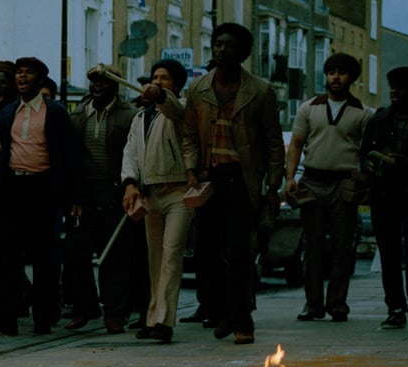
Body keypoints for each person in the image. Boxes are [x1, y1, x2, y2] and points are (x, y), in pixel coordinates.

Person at [180, 21, 283, 346]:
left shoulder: (260, 90)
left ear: (243, 52)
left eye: (230, 45)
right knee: (207, 254)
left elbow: (272, 142)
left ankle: (243, 320)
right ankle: (222, 311)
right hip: (209, 180)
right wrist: (191, 168)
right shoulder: (198, 88)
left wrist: (273, 185)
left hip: (242, 180)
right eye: (218, 44)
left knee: (239, 253)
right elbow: (190, 135)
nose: (223, 50)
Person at [0, 56, 77, 335]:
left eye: (28, 73)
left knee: (45, 258)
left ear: (40, 79)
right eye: (19, 73)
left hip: (43, 189)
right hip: (12, 189)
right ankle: (7, 317)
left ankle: (44, 317)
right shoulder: (9, 112)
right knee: (7, 257)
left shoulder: (56, 112)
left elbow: (68, 156)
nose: (22, 77)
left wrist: (72, 197)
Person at [285, 53, 372, 323]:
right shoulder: (309, 108)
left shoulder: (364, 113)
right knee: (312, 246)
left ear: (352, 78)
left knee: (342, 247)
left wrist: (362, 181)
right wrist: (290, 178)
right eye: (331, 71)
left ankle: (337, 304)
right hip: (312, 179)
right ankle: (313, 304)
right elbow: (296, 145)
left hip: (343, 182)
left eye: (342, 72)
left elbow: (368, 152)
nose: (336, 76)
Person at [120, 59, 197, 343]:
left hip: (178, 192)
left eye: (165, 78)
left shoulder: (181, 108)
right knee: (154, 259)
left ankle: (164, 321)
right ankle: (152, 316)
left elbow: (172, 107)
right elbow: (130, 154)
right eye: (155, 77)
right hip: (150, 193)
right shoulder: (139, 117)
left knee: (171, 254)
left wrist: (162, 95)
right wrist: (130, 183)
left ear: (176, 84)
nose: (157, 82)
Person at [65, 65, 140, 333]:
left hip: (116, 196)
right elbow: (71, 160)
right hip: (84, 197)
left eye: (104, 82)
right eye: (94, 82)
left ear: (115, 86)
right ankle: (84, 308)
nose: (97, 87)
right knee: (77, 256)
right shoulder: (78, 115)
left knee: (115, 259)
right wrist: (73, 196)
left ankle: (115, 314)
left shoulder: (129, 115)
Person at [359, 64, 408, 332]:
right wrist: (369, 165)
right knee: (389, 254)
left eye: (400, 87)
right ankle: (395, 309)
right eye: (392, 86)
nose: (394, 91)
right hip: (383, 194)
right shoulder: (379, 120)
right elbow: (364, 152)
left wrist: (406, 163)